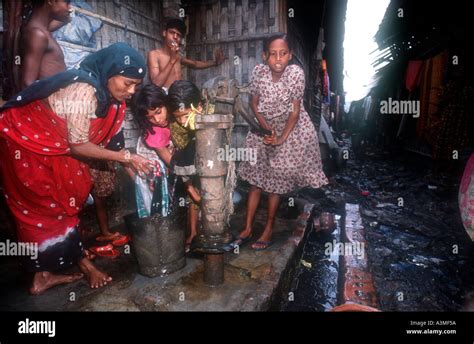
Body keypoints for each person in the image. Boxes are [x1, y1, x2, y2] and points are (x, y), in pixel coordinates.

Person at [0, 43, 153, 294]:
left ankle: (42, 276)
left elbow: (115, 143)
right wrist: (127, 158)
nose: (132, 90)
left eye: (136, 85)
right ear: (108, 72)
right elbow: (80, 145)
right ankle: (83, 266)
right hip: (25, 142)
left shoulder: (112, 100)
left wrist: (139, 176)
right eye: (127, 83)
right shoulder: (83, 91)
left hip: (56, 147)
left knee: (64, 199)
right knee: (48, 207)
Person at [236, 34, 328, 250]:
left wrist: (279, 138)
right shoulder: (259, 72)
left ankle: (268, 228)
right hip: (263, 128)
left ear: (290, 55)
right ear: (265, 56)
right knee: (256, 182)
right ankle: (247, 228)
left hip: (289, 129)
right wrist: (264, 129)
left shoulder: (295, 74)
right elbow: (254, 104)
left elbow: (295, 112)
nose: (278, 59)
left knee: (275, 183)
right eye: (273, 54)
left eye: (283, 54)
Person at [147, 18, 225, 90]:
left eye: (178, 35)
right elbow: (156, 84)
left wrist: (215, 63)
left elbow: (195, 64)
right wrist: (172, 60)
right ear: (164, 33)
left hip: (180, 94)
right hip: (164, 97)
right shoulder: (154, 54)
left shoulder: (177, 56)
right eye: (172, 32)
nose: (175, 37)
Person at [20, 0, 72, 89]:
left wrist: (65, 19)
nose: (70, 8)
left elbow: (50, 25)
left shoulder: (42, 31)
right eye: (66, 2)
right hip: (51, 99)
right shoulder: (37, 35)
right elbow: (27, 83)